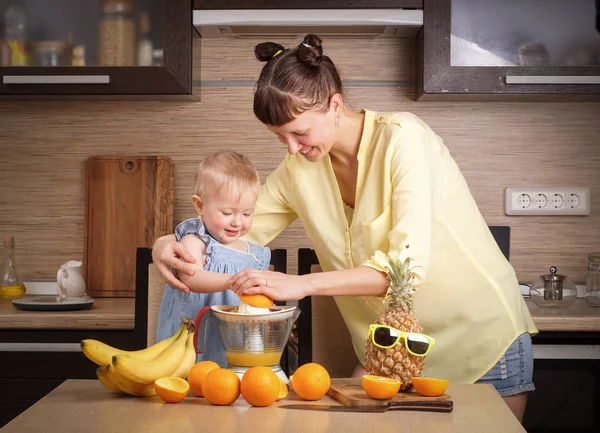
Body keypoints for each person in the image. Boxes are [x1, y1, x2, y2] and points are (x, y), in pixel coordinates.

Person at [152, 34, 537, 422]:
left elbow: (407, 268)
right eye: (278, 136)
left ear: (335, 105)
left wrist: (301, 284)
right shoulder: (296, 172)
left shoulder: (405, 140)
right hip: (386, 347)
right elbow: (229, 232)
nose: (290, 148)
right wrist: (168, 241)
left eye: (300, 133)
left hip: (478, 339)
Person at [155, 151, 270, 367]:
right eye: (227, 213)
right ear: (199, 205)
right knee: (196, 377)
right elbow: (191, 277)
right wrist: (233, 281)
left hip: (236, 339)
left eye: (247, 213)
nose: (237, 222)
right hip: (196, 334)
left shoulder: (253, 253)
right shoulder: (195, 240)